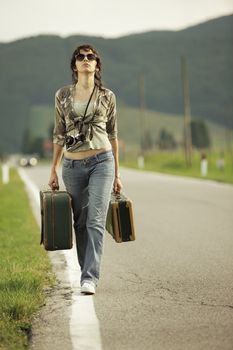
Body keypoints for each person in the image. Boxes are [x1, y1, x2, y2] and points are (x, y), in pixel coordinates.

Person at [48, 44, 122, 295]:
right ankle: (85, 270)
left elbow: (113, 135)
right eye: (81, 57)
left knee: (95, 219)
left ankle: (90, 277)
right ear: (74, 65)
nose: (86, 60)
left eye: (91, 57)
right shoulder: (63, 95)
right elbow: (58, 134)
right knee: (80, 222)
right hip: (72, 164)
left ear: (97, 65)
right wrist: (53, 170)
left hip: (102, 161)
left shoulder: (107, 96)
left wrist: (118, 174)